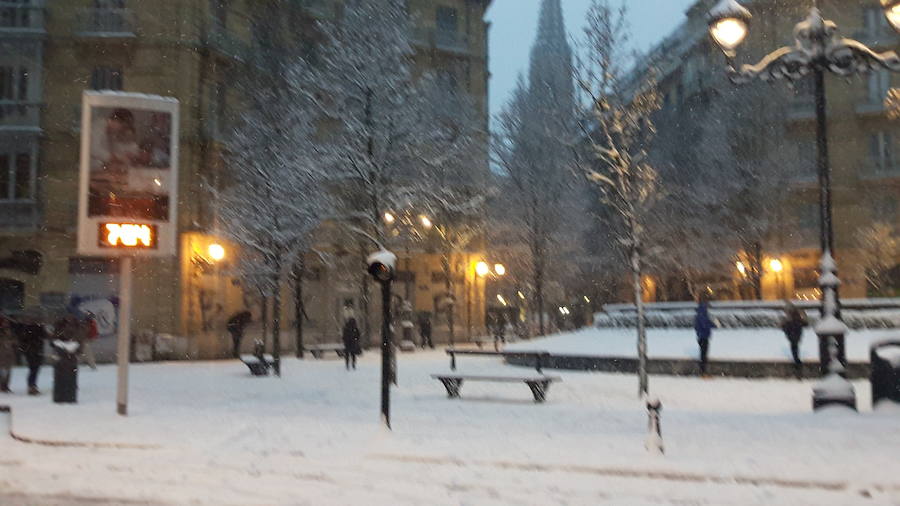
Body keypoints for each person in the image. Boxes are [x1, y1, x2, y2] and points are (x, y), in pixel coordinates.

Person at [14, 314, 48, 395]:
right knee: (34, 368)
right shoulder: (26, 328)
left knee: (35, 369)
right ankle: (31, 386)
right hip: (32, 351)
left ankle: (32, 385)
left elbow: (44, 336)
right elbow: (23, 339)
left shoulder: (35, 328)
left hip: (35, 351)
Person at [780, 302, 807, 378]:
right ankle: (797, 365)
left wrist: (783, 324)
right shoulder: (796, 316)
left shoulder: (791, 317)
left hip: (793, 335)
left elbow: (785, 327)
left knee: (794, 348)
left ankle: (797, 366)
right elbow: (804, 324)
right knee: (795, 348)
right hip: (796, 334)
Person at [694, 298, 715, 376]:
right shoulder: (702, 314)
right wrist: (712, 325)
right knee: (703, 355)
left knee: (703, 354)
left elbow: (698, 326)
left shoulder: (700, 314)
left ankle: (703, 371)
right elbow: (705, 324)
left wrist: (712, 324)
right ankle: (703, 372)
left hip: (701, 336)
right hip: (703, 337)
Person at [0, 317, 16, 393]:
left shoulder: (10, 332)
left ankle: (6, 385)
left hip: (9, 354)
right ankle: (2, 385)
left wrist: (11, 341)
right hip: (2, 354)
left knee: (8, 371)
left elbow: (15, 341)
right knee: (2, 371)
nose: (6, 324)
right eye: (4, 322)